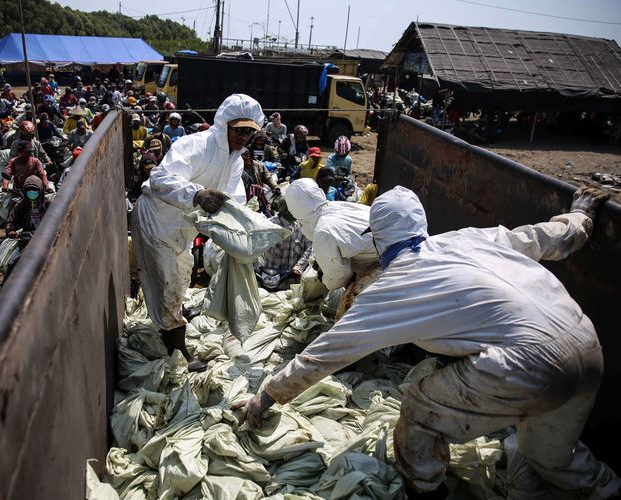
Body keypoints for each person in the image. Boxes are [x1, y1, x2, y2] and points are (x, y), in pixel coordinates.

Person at [234, 186, 621, 500]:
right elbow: (542, 237)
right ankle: (607, 490)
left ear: (379, 239)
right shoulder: (471, 239)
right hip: (586, 344)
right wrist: (581, 216)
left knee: (419, 412)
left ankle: (425, 491)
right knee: (549, 457)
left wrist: (266, 395)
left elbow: (329, 351)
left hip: (525, 365)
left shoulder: (394, 286)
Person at [131, 93, 264, 372]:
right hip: (158, 219)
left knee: (182, 277)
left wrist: (243, 228)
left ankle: (170, 329)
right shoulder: (197, 145)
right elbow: (160, 178)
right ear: (224, 124)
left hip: (184, 227)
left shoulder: (236, 160)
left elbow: (233, 198)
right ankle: (178, 352)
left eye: (250, 131)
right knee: (167, 282)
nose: (244, 136)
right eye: (239, 129)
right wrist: (197, 194)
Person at [283, 178, 379, 293]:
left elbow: (339, 277)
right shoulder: (338, 206)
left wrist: (324, 279)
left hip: (384, 265)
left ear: (295, 212)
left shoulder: (323, 231)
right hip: (397, 248)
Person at [254, 196, 313, 289]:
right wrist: (259, 271)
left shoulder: (301, 227)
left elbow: (310, 247)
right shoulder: (269, 226)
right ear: (288, 210)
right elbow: (255, 250)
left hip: (292, 283)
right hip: (269, 282)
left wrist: (299, 267)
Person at [241, 149, 279, 215]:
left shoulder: (259, 165)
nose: (245, 159)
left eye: (246, 156)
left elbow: (268, 178)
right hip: (245, 195)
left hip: (258, 194)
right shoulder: (237, 167)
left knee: (266, 212)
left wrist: (275, 187)